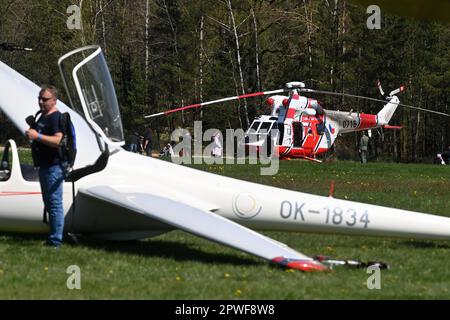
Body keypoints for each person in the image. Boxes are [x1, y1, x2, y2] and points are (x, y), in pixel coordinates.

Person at [25, 85, 66, 248]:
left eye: (45, 99)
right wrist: (32, 135)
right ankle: (53, 237)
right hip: (44, 166)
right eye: (39, 98)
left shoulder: (55, 117)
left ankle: (56, 241)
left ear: (54, 100)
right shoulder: (42, 116)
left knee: (54, 203)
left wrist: (37, 136)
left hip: (54, 167)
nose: (41, 102)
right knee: (49, 203)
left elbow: (57, 141)